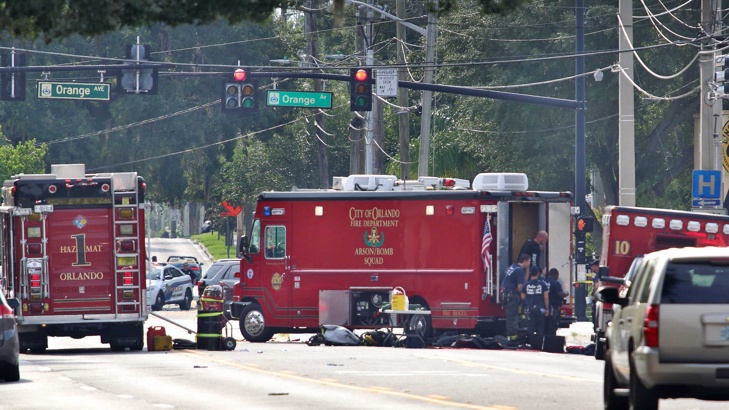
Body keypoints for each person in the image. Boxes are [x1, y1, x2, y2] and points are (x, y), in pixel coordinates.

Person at [500, 253, 531, 342]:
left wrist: (527, 269)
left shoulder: (513, 267)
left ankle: (512, 336)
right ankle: (512, 338)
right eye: (528, 262)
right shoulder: (519, 271)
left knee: (511, 316)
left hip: (505, 294)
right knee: (512, 317)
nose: (529, 264)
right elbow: (520, 287)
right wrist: (526, 295)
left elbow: (524, 280)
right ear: (524, 261)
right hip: (511, 295)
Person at [521, 265, 549, 337]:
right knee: (540, 328)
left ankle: (531, 343)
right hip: (540, 309)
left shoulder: (526, 285)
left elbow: (523, 297)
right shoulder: (543, 284)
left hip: (529, 309)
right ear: (538, 273)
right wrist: (547, 308)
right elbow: (546, 297)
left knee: (530, 328)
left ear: (530, 273)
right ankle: (539, 343)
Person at [545, 268, 568, 335]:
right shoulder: (556, 283)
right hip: (553, 308)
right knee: (552, 326)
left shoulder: (543, 281)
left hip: (543, 308)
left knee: (544, 327)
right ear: (556, 275)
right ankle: (551, 341)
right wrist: (566, 293)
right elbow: (560, 294)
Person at [590, 259, 601, 330]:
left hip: (597, 298)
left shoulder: (597, 275)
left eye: (593, 266)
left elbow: (596, 286)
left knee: (595, 314)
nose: (591, 268)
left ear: (597, 266)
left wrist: (594, 296)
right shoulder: (600, 274)